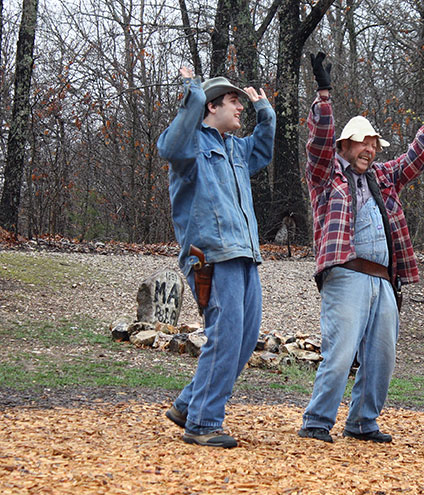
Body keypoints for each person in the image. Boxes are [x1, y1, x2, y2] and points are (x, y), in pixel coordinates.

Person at [298, 52, 424, 443]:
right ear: (346, 145)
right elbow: (318, 143)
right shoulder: (325, 175)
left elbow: (415, 159)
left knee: (381, 358)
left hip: (384, 280)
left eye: (374, 144)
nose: (370, 150)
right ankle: (317, 421)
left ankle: (363, 422)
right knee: (339, 352)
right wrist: (324, 95)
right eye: (362, 144)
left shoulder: (384, 178)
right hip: (346, 274)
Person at [157, 67, 275, 448]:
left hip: (246, 255)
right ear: (211, 105)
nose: (240, 106)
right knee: (224, 337)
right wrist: (191, 94)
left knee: (243, 338)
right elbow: (167, 148)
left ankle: (188, 404)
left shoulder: (236, 149)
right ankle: (204, 422)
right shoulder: (190, 145)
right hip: (211, 257)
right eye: (234, 100)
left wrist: (265, 111)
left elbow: (263, 148)